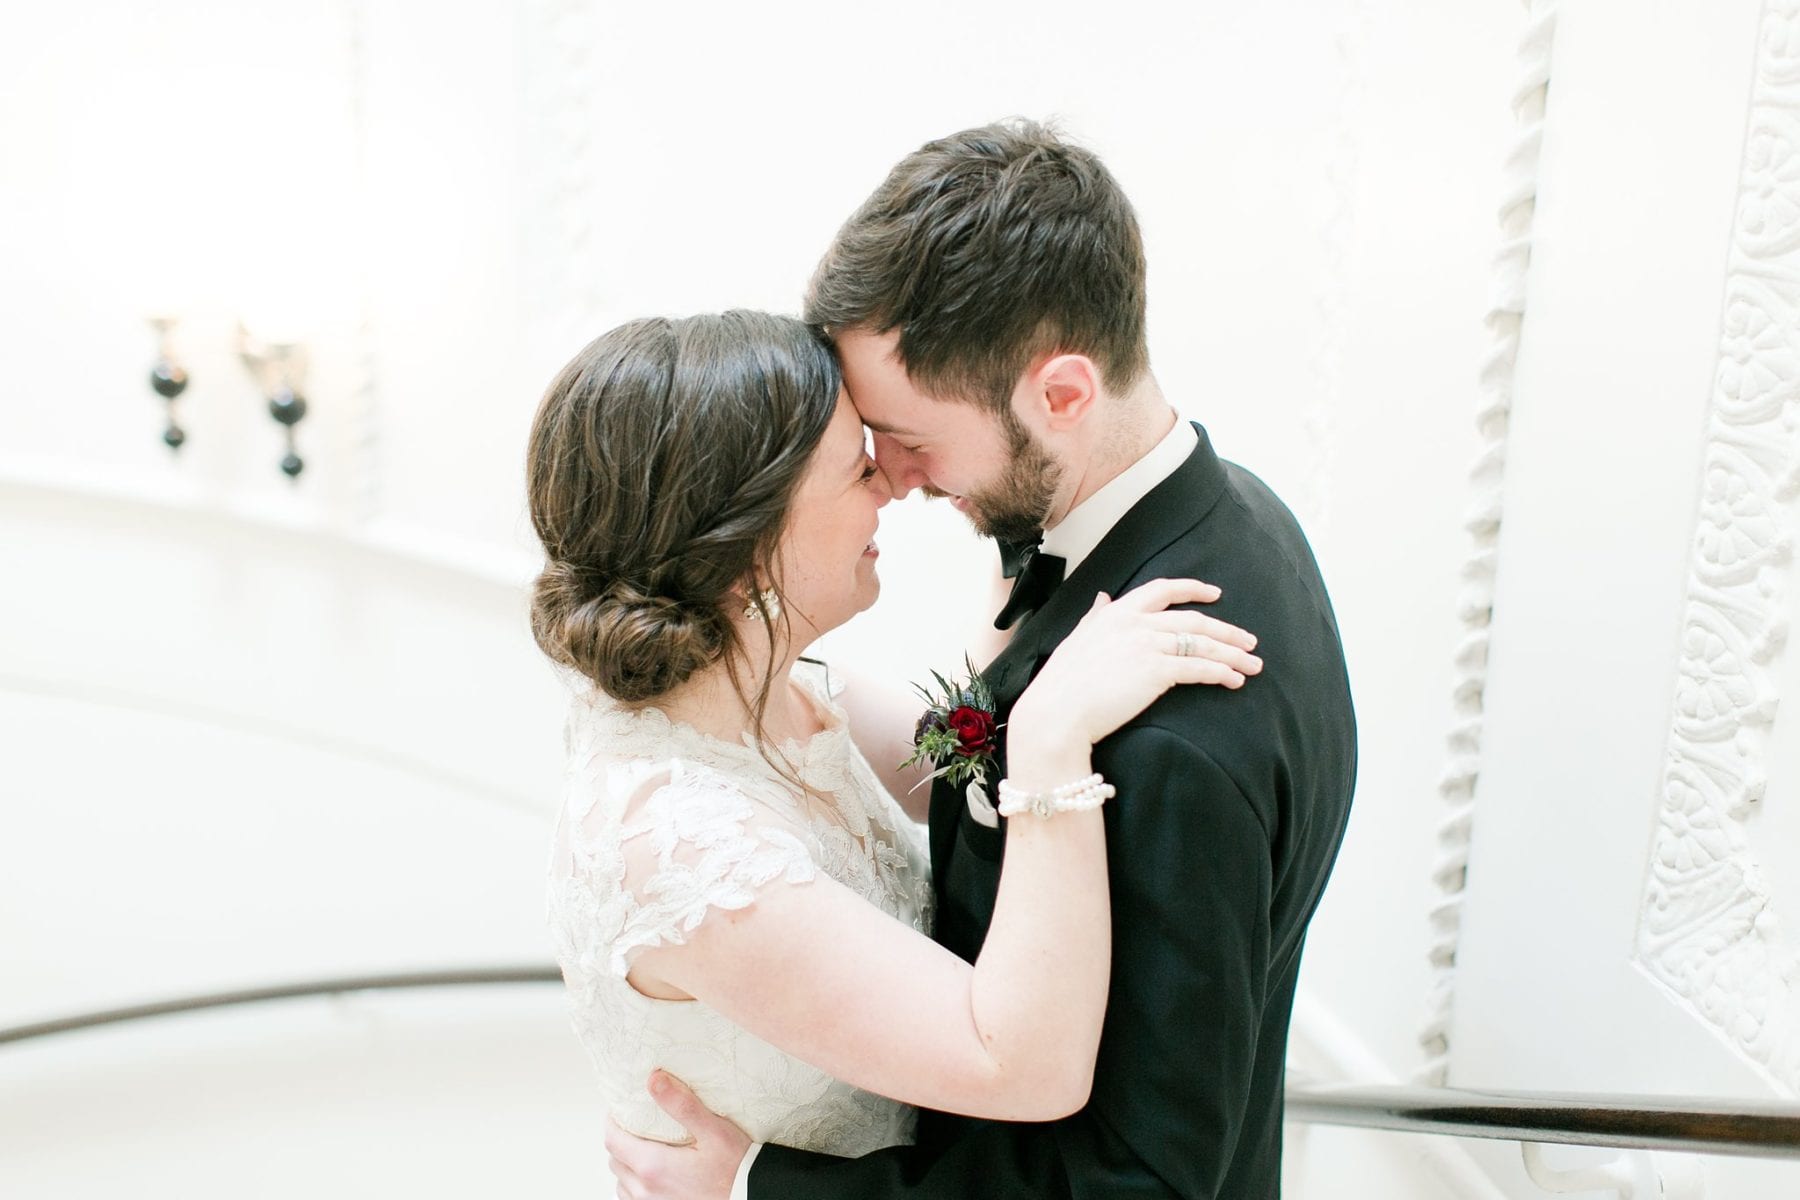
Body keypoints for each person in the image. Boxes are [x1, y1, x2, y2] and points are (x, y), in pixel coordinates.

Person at [606, 121, 1358, 1200]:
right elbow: (971, 763)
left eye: (908, 435)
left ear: (1061, 395)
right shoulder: (1233, 515)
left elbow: (1134, 1182)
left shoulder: (1175, 737)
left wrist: (761, 1186)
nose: (893, 478)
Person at [529, 310, 1263, 1192]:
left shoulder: (784, 692)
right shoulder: (675, 844)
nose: (888, 486)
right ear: (746, 542)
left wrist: (1027, 565)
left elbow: (953, 766)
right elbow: (1023, 1067)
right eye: (853, 467)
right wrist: (1052, 742)